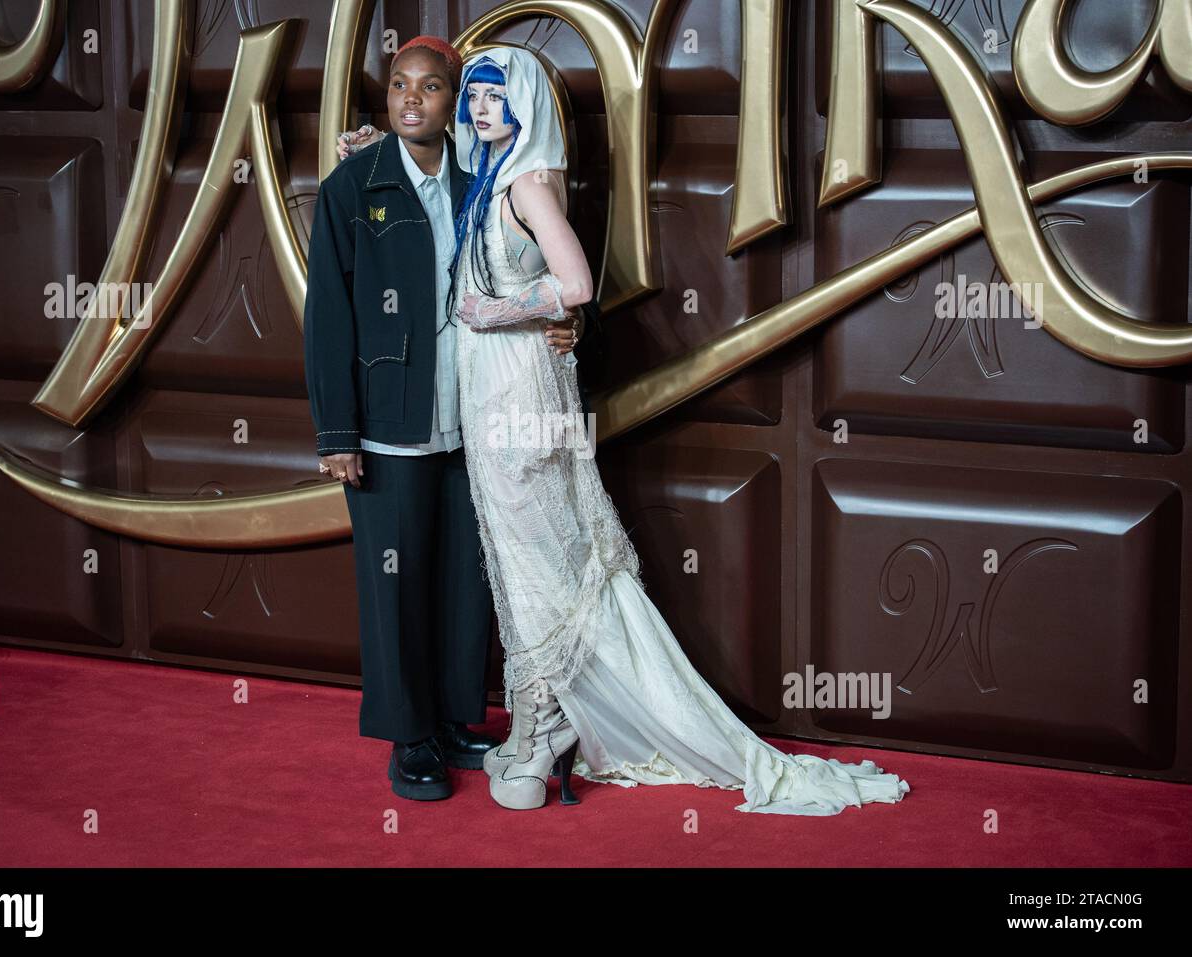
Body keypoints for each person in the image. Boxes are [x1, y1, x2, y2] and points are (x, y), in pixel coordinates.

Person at [341, 46, 911, 815]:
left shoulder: (531, 184)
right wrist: (373, 148)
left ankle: (546, 724)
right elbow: (427, 188)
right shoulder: (485, 182)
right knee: (517, 559)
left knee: (542, 555)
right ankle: (544, 717)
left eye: (491, 98)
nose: (479, 111)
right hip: (487, 395)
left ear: (526, 107)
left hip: (518, 398)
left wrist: (508, 312)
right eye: (472, 97)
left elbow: (574, 285)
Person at [302, 36, 577, 802]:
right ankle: (409, 735)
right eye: (399, 85)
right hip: (391, 423)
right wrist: (336, 433)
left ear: (454, 103)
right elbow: (326, 316)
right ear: (387, 97)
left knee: (465, 581)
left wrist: (568, 321)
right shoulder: (354, 185)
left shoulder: (479, 183)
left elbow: (534, 272)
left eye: (431, 88)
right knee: (395, 585)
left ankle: (459, 718)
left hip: (477, 420)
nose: (412, 98)